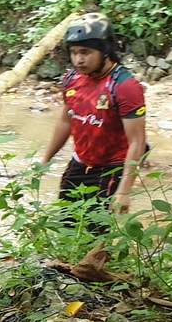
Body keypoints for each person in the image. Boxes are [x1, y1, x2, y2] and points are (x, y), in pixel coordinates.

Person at [38, 12, 148, 216]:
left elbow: (137, 142)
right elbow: (65, 121)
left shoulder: (124, 86)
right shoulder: (72, 79)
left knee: (98, 235)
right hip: (79, 163)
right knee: (67, 226)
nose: (78, 59)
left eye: (86, 52)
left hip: (111, 169)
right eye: (74, 52)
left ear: (105, 50)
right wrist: (44, 160)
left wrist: (124, 191)